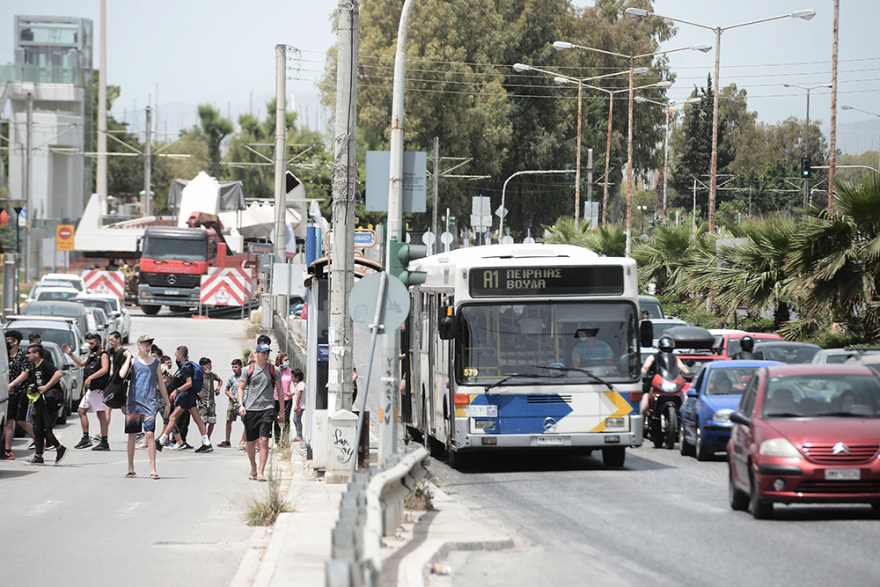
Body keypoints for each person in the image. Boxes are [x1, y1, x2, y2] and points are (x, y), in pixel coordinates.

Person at [125, 335, 170, 478]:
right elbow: (121, 375)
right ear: (139, 345)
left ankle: (153, 469)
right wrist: (128, 358)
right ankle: (131, 468)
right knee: (132, 435)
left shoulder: (156, 362)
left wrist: (167, 402)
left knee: (150, 434)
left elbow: (161, 383)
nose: (148, 348)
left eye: (150, 345)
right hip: (133, 404)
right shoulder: (133, 362)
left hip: (150, 403)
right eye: (146, 345)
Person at [237, 343, 283, 481]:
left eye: (267, 353)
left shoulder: (274, 370)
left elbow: (280, 390)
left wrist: (281, 411)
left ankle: (261, 472)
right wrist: (241, 405)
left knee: (264, 440)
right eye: (263, 353)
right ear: (256, 354)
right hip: (251, 409)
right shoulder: (248, 370)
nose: (266, 355)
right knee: (251, 443)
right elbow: (241, 388)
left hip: (267, 408)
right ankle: (253, 467)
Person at [15, 344, 67, 465]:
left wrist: (45, 387)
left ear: (36, 354)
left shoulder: (45, 365)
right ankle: (38, 456)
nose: (27, 355)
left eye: (29, 353)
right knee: (38, 428)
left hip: (48, 400)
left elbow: (58, 374)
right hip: (39, 401)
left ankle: (59, 448)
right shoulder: (34, 367)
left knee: (44, 428)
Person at [157, 346, 214, 453]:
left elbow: (189, 383)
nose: (175, 356)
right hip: (190, 394)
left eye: (176, 354)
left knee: (173, 417)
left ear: (180, 355)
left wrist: (176, 391)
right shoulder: (188, 365)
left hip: (186, 395)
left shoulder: (185, 367)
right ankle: (207, 443)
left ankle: (161, 441)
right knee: (197, 419)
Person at [63, 333, 111, 451]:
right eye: (89, 343)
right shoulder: (92, 355)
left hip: (99, 390)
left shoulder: (103, 354)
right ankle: (85, 438)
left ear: (98, 342)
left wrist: (90, 378)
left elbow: (105, 369)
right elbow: (81, 363)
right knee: (81, 410)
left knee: (101, 415)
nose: (90, 346)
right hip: (90, 390)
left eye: (92, 343)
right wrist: (70, 354)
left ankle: (104, 441)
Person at [4, 330, 36, 460]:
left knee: (21, 420)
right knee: (9, 421)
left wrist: (11, 385)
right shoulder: (4, 355)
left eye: (8, 339)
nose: (6, 342)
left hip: (22, 393)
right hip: (8, 394)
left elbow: (25, 374)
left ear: (15, 342)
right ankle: (8, 451)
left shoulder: (23, 355)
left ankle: (40, 440)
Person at [640, 335, 690, 414]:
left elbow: (683, 367)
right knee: (643, 407)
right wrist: (643, 373)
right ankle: (642, 421)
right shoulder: (652, 357)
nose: (667, 351)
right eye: (665, 349)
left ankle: (684, 418)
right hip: (655, 386)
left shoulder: (675, 358)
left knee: (685, 399)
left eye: (669, 349)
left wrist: (688, 374)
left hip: (671, 385)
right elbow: (645, 367)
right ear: (660, 347)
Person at [219, 358, 246, 448]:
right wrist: (233, 397)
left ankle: (243, 440)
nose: (234, 369)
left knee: (246, 422)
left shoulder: (245, 377)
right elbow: (226, 390)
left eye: (236, 367)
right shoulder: (232, 378)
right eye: (233, 367)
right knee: (229, 420)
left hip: (243, 402)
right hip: (233, 402)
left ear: (241, 367)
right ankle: (227, 441)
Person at [197, 357, 223, 442]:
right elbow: (192, 384)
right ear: (203, 366)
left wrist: (218, 388)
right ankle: (204, 439)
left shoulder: (212, 375)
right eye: (208, 365)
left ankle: (208, 437)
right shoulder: (199, 376)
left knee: (212, 421)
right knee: (203, 421)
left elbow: (220, 380)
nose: (210, 366)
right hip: (202, 403)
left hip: (211, 403)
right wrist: (196, 393)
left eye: (210, 364)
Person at [274, 353, 293, 441]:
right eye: (285, 360)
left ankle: (285, 439)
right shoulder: (275, 371)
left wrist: (293, 392)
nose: (287, 361)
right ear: (281, 362)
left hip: (287, 399)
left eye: (288, 360)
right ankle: (277, 441)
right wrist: (278, 370)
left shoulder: (290, 371)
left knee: (286, 419)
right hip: (276, 398)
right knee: (277, 420)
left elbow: (296, 382)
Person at [292, 368, 305, 441]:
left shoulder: (301, 384)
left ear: (297, 377)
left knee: (297, 419)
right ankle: (298, 435)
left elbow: (299, 394)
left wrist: (296, 405)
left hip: (300, 406)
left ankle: (299, 435)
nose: (292, 379)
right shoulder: (300, 384)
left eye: (293, 377)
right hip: (299, 405)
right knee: (295, 419)